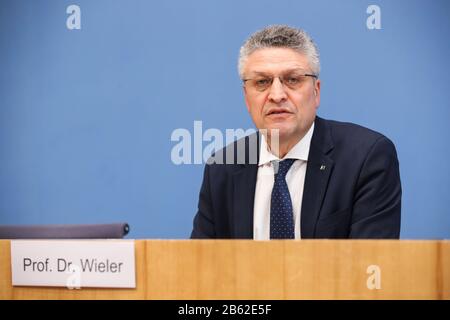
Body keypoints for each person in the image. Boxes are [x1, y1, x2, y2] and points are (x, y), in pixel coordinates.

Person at [191, 25, 401, 239]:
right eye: (262, 82)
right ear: (246, 97)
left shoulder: (366, 158)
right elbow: (201, 267)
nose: (277, 94)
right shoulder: (222, 167)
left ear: (316, 91)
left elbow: (371, 263)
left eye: (292, 80)